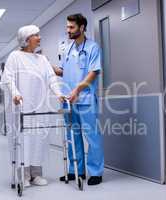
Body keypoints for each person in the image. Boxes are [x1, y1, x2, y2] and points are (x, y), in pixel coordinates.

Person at [2, 25, 63, 187]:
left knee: (39, 139)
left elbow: (51, 78)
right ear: (27, 39)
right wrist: (15, 93)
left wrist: (58, 94)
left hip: (40, 106)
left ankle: (36, 174)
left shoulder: (42, 59)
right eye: (36, 35)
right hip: (22, 106)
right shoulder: (15, 57)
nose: (40, 37)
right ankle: (23, 174)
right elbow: (8, 78)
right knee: (23, 139)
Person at [54, 13, 104, 185]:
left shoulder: (92, 48)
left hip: (85, 99)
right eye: (67, 27)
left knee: (92, 136)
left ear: (82, 27)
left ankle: (96, 172)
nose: (68, 30)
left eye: (71, 27)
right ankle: (76, 171)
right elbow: (62, 71)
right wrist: (47, 66)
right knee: (72, 136)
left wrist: (77, 89)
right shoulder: (67, 48)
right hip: (69, 100)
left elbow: (94, 72)